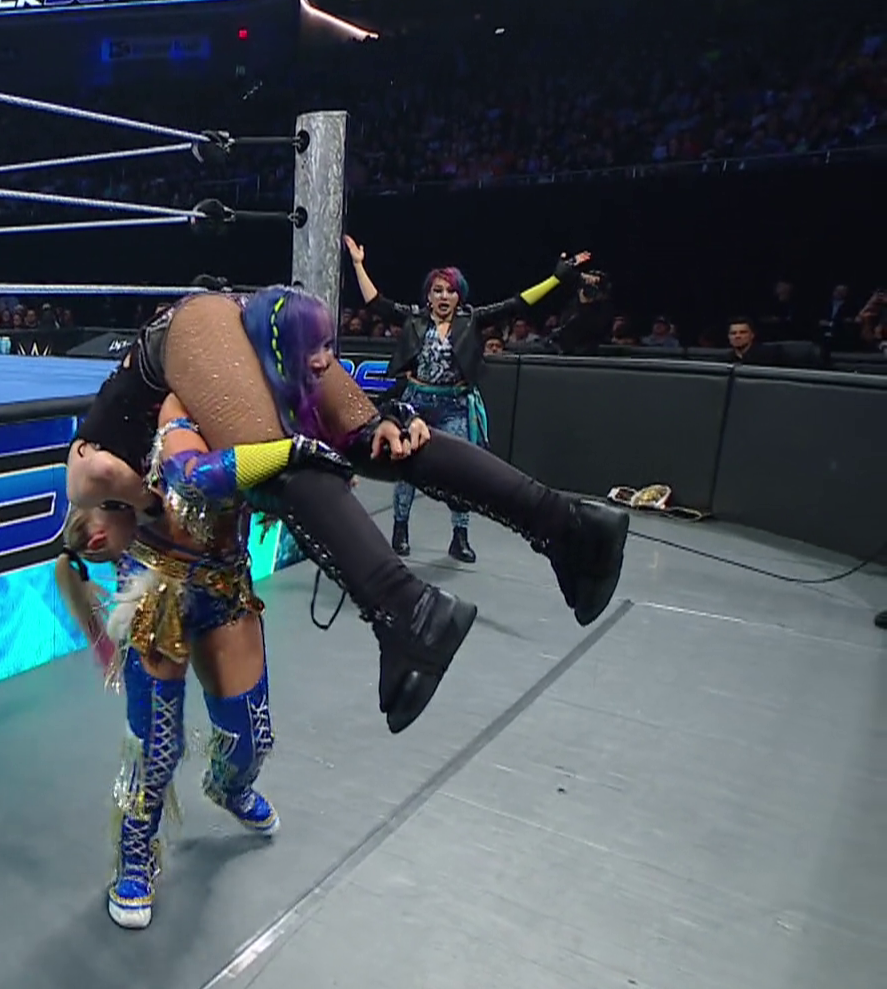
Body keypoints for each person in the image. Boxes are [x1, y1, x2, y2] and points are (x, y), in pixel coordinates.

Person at [68, 284, 628, 735]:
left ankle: (410, 611)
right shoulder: (175, 416)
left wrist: (144, 502)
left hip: (195, 327)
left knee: (275, 462)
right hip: (244, 318)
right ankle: (573, 528)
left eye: (96, 545)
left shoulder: (95, 473)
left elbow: (92, 475)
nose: (106, 551)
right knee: (377, 439)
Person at [55, 394, 289, 930]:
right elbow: (94, 469)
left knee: (252, 737)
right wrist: (138, 501)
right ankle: (135, 855)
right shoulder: (141, 390)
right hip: (154, 584)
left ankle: (229, 787)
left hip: (225, 581)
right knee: (156, 746)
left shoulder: (259, 391)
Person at [344, 238, 590, 563]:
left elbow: (516, 304)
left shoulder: (471, 320)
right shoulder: (415, 318)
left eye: (450, 291)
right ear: (428, 296)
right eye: (437, 291)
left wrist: (555, 279)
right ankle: (400, 530)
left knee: (460, 473)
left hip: (454, 406)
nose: (443, 296)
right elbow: (377, 303)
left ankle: (459, 536)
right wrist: (358, 264)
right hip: (415, 404)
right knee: (405, 467)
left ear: (459, 295)